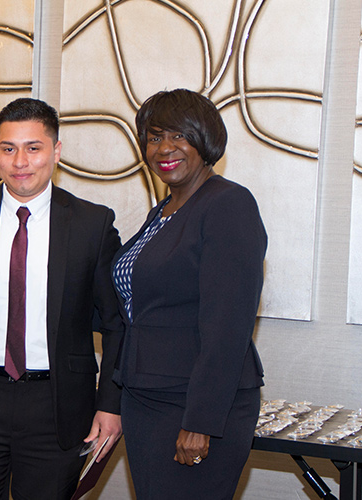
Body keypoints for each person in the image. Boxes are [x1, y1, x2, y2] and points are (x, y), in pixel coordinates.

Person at [0, 97, 123, 500]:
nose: (20, 161)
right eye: (8, 148)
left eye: (34, 148)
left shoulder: (92, 224)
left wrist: (111, 405)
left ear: (56, 151)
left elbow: (117, 324)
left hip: (58, 405)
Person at [112, 88, 266, 499]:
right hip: (146, 399)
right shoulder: (163, 211)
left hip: (193, 407)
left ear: (205, 139)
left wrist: (201, 420)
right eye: (155, 136)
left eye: (179, 136)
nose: (165, 148)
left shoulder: (229, 205)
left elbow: (228, 325)